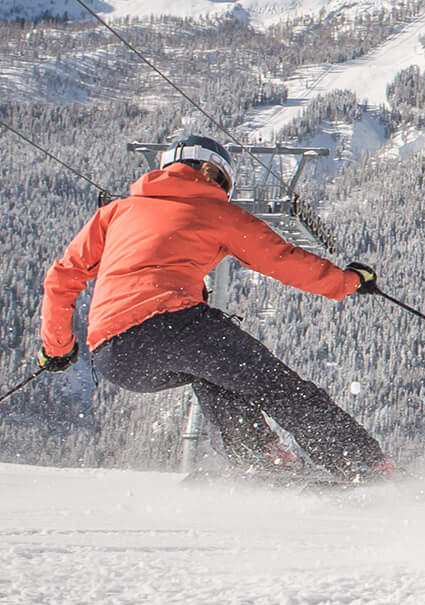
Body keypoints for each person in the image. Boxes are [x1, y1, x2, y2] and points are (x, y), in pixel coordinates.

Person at [37, 134, 394, 481]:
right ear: (212, 173)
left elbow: (62, 278)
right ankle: (360, 462)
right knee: (278, 386)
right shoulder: (216, 212)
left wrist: (58, 349)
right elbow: (282, 259)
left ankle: (256, 455)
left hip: (115, 355)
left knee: (214, 374)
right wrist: (348, 282)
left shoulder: (116, 212)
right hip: (176, 325)